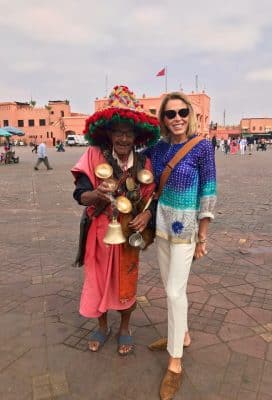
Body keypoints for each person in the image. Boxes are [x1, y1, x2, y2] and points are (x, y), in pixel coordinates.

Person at [71, 85, 160, 356]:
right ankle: (101, 326)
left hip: (129, 234)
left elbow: (152, 197)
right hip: (98, 233)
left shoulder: (144, 164)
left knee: (126, 280)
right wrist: (95, 195)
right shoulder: (94, 155)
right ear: (108, 133)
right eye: (118, 132)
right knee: (97, 279)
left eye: (128, 132)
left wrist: (147, 214)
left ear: (137, 135)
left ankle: (124, 328)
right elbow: (79, 194)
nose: (123, 138)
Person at [145, 92, 217, 400]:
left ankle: (175, 362)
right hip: (161, 227)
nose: (177, 118)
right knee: (171, 286)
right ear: (163, 118)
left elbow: (209, 190)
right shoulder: (158, 150)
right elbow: (136, 162)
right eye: (170, 113)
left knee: (174, 291)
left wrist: (203, 235)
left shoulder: (202, 148)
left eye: (182, 112)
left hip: (187, 230)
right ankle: (182, 334)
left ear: (191, 115)